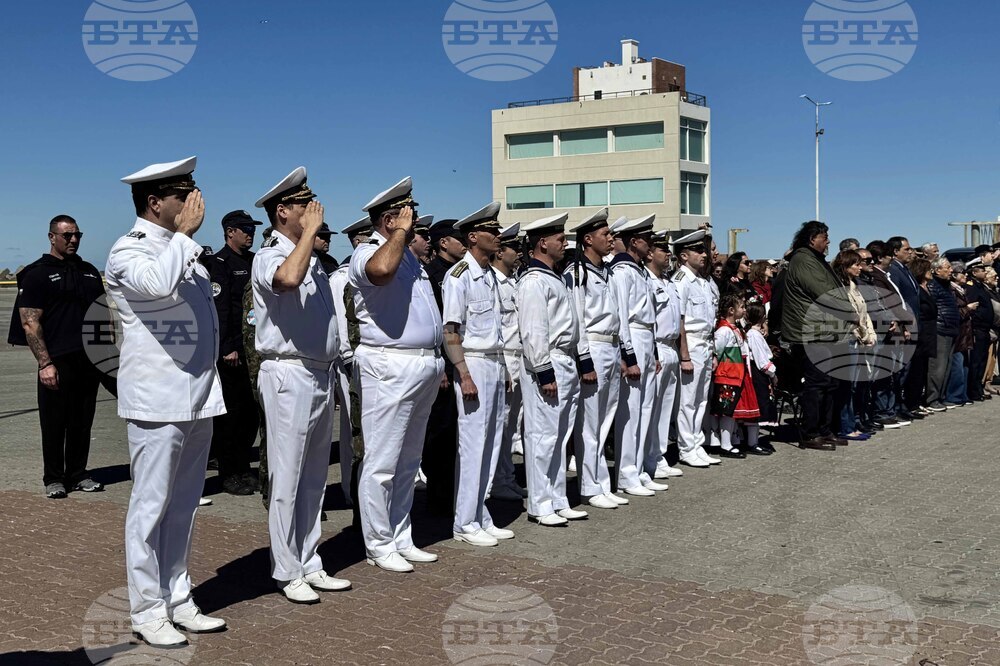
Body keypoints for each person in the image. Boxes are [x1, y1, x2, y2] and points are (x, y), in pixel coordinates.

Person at [106, 156, 227, 647]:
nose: (193, 202)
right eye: (184, 195)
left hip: (197, 396)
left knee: (184, 507)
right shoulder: (127, 250)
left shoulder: (183, 250)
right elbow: (156, 285)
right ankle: (147, 608)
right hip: (157, 401)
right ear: (156, 203)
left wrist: (185, 241)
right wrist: (187, 236)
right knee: (150, 507)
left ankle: (178, 596)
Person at [251, 167, 350, 603]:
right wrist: (308, 235)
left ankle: (310, 560)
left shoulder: (310, 258)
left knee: (313, 477)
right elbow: (286, 281)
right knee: (287, 475)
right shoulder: (271, 254)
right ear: (283, 211)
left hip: (318, 371)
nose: (314, 211)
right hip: (287, 373)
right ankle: (286, 568)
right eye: (304, 205)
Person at [351, 177, 445, 572]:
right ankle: (378, 542)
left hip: (422, 363)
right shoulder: (369, 252)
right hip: (389, 364)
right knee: (382, 461)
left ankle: (401, 534)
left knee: (409, 460)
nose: (417, 222)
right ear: (390, 219)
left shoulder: (408, 256)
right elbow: (379, 273)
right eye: (409, 216)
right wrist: (401, 234)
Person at [13, 214, 107, 498]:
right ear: (52, 236)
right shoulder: (37, 273)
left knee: (82, 420)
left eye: (78, 235)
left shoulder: (89, 272)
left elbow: (102, 316)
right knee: (54, 422)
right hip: (57, 360)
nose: (74, 240)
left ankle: (78, 473)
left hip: (89, 359)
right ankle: (53, 477)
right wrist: (45, 363)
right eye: (67, 235)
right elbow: (30, 322)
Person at [442, 202, 513, 547]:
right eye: (492, 231)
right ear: (473, 237)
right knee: (472, 446)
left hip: (495, 362)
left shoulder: (489, 276)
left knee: (493, 442)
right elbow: (451, 330)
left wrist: (505, 368)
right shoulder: (459, 277)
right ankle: (465, 520)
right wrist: (463, 374)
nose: (498, 236)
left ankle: (481, 514)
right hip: (473, 363)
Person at [517, 212, 590, 526]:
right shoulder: (533, 281)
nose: (565, 244)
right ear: (542, 243)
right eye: (560, 239)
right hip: (547, 361)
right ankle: (540, 503)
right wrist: (544, 372)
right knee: (542, 436)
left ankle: (557, 498)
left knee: (560, 436)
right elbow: (534, 331)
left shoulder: (554, 277)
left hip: (565, 358)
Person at [563, 209, 629, 510]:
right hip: (594, 345)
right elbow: (577, 319)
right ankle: (590, 486)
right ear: (588, 239)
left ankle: (601, 482)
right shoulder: (578, 272)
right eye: (605, 234)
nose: (611, 238)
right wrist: (585, 360)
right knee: (589, 423)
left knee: (604, 420)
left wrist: (625, 354)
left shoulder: (606, 271)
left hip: (612, 347)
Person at [608, 214, 666, 496]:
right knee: (631, 412)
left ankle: (641, 468)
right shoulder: (621, 271)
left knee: (646, 409)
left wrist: (652, 352)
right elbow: (621, 316)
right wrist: (629, 356)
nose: (652, 245)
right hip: (632, 335)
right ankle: (626, 473)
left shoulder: (639, 271)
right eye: (648, 240)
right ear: (635, 242)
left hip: (645, 337)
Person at [781, 221, 851, 450]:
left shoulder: (816, 260)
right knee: (817, 384)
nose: (828, 241)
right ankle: (810, 432)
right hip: (811, 332)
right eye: (825, 237)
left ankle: (825, 430)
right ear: (813, 239)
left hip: (826, 330)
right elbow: (825, 292)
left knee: (830, 383)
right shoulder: (803, 260)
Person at [209, 210, 263, 496]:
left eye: (251, 228)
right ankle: (229, 473)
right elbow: (221, 310)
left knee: (251, 415)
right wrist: (227, 347)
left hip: (254, 350)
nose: (249, 233)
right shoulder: (219, 264)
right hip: (233, 352)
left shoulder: (255, 261)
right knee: (231, 416)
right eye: (244, 229)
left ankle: (243, 468)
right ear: (230, 231)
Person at [422, 217, 465, 514]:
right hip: (443, 365)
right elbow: (436, 323)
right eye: (458, 238)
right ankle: (438, 493)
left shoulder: (457, 274)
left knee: (456, 431)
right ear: (443, 243)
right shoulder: (431, 274)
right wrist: (440, 366)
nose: (463, 242)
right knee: (440, 430)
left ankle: (451, 489)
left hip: (458, 360)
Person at [673, 230, 721, 467]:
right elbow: (679, 320)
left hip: (704, 342)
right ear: (683, 256)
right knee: (688, 399)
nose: (704, 255)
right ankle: (686, 446)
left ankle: (696, 442)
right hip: (690, 342)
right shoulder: (681, 281)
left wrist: (711, 351)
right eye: (698, 250)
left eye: (704, 250)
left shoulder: (702, 282)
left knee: (701, 398)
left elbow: (709, 321)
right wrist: (684, 355)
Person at [490, 223, 528, 502]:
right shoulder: (492, 281)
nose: (519, 253)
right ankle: (498, 480)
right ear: (500, 251)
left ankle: (506, 476)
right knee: (501, 426)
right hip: (504, 360)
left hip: (520, 358)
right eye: (514, 248)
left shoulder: (514, 282)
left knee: (512, 424)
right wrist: (503, 366)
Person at [645, 231, 685, 475]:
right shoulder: (646, 280)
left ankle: (659, 456)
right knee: (652, 407)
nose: (668, 254)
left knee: (666, 407)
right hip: (656, 345)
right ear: (650, 254)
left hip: (670, 346)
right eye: (663, 250)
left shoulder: (669, 282)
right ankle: (649, 457)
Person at [831, 250, 876, 441]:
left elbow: (864, 315)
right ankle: (845, 426)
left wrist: (870, 335)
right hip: (850, 339)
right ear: (845, 266)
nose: (860, 267)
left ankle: (851, 423)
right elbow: (853, 318)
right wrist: (864, 335)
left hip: (859, 340)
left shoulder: (853, 285)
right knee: (846, 387)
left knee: (853, 386)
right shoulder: (840, 287)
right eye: (855, 264)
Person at [711, 294, 760, 455]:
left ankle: (731, 441)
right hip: (727, 375)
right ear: (731, 311)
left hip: (737, 375)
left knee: (731, 410)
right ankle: (725, 445)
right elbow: (716, 351)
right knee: (727, 410)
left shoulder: (735, 329)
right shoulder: (724, 330)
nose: (744, 310)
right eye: (741, 307)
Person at [926, 258, 960, 411]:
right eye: (947, 267)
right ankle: (932, 399)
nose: (951, 270)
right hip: (941, 328)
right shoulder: (933, 285)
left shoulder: (947, 287)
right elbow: (933, 307)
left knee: (946, 366)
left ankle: (941, 397)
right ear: (937, 270)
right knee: (938, 367)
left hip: (951, 329)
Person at [902, 258, 935, 414]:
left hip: (928, 332)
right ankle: (911, 403)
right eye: (928, 269)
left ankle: (917, 401)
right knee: (915, 369)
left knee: (923, 369)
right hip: (920, 331)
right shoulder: (918, 290)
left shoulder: (926, 287)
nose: (931, 272)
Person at [744, 302, 777, 452]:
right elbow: (761, 361)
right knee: (757, 408)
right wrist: (773, 373)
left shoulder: (754, 334)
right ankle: (752, 443)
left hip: (761, 374)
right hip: (759, 375)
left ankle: (754, 441)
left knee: (759, 409)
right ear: (763, 317)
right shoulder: (753, 335)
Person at [964, 259, 994, 401]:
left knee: (982, 360)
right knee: (975, 361)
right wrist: (978, 320)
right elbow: (972, 306)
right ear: (974, 272)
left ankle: (979, 389)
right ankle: (974, 391)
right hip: (978, 328)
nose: (985, 272)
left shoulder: (981, 286)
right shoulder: (972, 287)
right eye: (982, 270)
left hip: (985, 329)